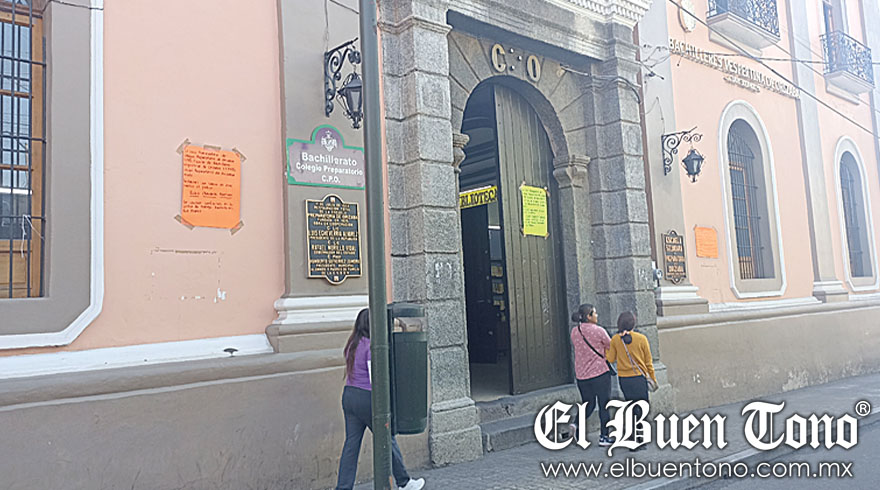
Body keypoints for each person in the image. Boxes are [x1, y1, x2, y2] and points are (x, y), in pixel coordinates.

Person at [334, 309, 425, 490]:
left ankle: (343, 487)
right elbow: (375, 378)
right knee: (387, 439)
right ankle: (404, 482)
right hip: (367, 398)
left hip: (349, 395)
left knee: (351, 445)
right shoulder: (371, 347)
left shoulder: (352, 344)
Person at [606, 311, 656, 451]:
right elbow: (648, 362)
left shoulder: (616, 339)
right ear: (633, 323)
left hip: (624, 379)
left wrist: (605, 350)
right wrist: (652, 378)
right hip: (639, 378)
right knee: (642, 409)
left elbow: (610, 359)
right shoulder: (642, 339)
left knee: (631, 408)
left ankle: (632, 438)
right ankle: (640, 439)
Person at [569, 303, 614, 447]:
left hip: (582, 375)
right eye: (594, 313)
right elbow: (611, 346)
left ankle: (576, 425)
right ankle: (604, 436)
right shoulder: (599, 330)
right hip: (600, 373)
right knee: (604, 405)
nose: (597, 315)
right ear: (589, 316)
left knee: (588, 404)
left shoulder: (575, 331)